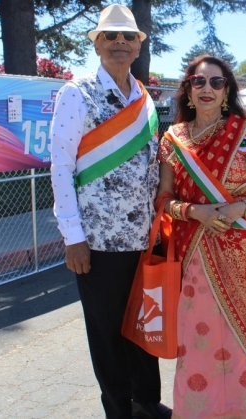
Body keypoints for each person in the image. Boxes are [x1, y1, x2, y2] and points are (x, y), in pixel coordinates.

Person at [156, 55, 246, 419]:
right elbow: (163, 198)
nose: (208, 89)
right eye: (199, 82)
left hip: (244, 260)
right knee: (198, 339)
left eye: (217, 82)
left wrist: (240, 208)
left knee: (244, 340)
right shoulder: (173, 140)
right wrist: (193, 211)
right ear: (188, 89)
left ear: (227, 90)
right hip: (194, 259)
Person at [49, 5, 170, 419]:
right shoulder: (76, 92)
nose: (120, 43)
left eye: (128, 37)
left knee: (143, 327)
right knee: (106, 334)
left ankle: (146, 403)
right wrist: (73, 237)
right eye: (111, 36)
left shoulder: (143, 98)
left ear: (139, 46)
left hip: (144, 239)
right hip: (97, 244)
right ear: (97, 43)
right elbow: (62, 167)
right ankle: (119, 410)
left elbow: (153, 168)